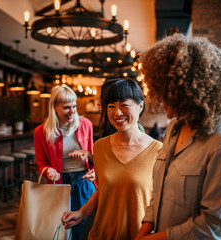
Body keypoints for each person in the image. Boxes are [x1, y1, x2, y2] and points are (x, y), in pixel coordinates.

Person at [134, 33, 221, 239]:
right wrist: (144, 230)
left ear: (189, 91)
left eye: (167, 93)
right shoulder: (174, 128)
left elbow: (213, 228)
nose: (160, 100)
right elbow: (159, 194)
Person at [61, 79, 163, 239]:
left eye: (124, 105)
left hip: (138, 234)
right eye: (111, 106)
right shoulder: (100, 147)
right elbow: (102, 190)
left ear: (140, 106)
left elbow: (159, 202)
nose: (117, 113)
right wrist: (80, 213)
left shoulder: (158, 150)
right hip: (103, 233)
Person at [34, 85, 96, 240]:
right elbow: (41, 163)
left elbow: (94, 157)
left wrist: (89, 159)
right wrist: (48, 170)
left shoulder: (85, 124)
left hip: (83, 181)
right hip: (58, 184)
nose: (72, 111)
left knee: (83, 228)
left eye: (74, 106)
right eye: (67, 107)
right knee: (59, 227)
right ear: (54, 107)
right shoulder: (41, 132)